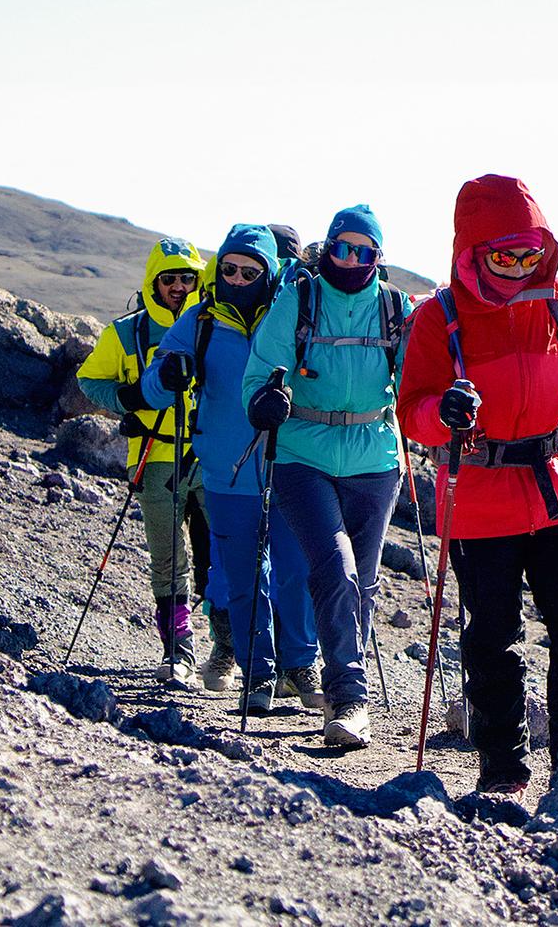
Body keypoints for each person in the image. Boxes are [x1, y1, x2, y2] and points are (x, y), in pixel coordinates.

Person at [398, 174, 558, 795]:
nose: (519, 267)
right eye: (504, 255)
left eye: (530, 254)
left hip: (556, 489)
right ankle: (502, 773)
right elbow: (412, 407)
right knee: (491, 640)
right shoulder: (437, 316)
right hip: (478, 498)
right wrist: (440, 411)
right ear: (471, 250)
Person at [241, 205, 409, 749]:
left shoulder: (394, 309)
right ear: (328, 247)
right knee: (335, 567)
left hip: (376, 460)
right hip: (301, 455)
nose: (352, 259)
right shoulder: (299, 300)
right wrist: (263, 400)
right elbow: (259, 370)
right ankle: (348, 697)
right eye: (342, 248)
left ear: (378, 259)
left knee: (362, 579)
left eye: (365, 252)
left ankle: (345, 687)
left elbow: (417, 380)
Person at [142, 224, 322, 714]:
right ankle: (256, 675)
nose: (239, 279)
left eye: (251, 270)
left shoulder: (290, 315)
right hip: (226, 469)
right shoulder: (200, 320)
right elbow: (154, 386)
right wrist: (166, 375)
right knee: (240, 578)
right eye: (229, 269)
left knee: (294, 572)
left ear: (270, 272)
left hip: (290, 464)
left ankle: (300, 666)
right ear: (218, 268)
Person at [76, 237, 209, 687]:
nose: (177, 286)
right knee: (169, 559)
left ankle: (230, 654)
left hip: (211, 454)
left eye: (186, 278)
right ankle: (180, 651)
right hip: (155, 457)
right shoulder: (125, 333)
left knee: (229, 556)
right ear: (153, 282)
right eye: (168, 279)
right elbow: (89, 378)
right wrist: (126, 398)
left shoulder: (215, 327)